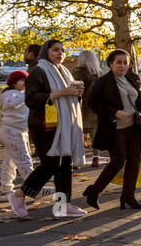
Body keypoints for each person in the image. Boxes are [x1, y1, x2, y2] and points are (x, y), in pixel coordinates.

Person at [11, 39, 87, 219]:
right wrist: (63, 93)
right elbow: (31, 100)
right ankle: (18, 195)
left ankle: (63, 206)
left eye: (62, 50)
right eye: (55, 50)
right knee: (51, 164)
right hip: (45, 125)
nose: (60, 53)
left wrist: (77, 92)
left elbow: (69, 99)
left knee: (65, 166)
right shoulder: (39, 70)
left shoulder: (64, 71)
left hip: (64, 124)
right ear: (46, 52)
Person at [82, 49, 141, 211]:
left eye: (125, 62)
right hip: (114, 128)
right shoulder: (102, 82)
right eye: (118, 62)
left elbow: (140, 101)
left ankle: (128, 196)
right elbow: (93, 103)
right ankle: (94, 191)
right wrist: (114, 112)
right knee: (118, 161)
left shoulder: (133, 78)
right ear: (110, 64)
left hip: (134, 127)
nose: (122, 65)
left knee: (134, 161)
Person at [0, 70, 34, 208]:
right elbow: (10, 104)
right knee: (24, 160)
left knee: (10, 161)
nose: (25, 84)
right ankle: (33, 187)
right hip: (12, 132)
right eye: (22, 81)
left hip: (19, 131)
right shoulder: (9, 94)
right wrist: (26, 93)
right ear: (13, 82)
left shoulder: (21, 94)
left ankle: (5, 190)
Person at [72, 49, 103, 166]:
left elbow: (73, 86)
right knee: (94, 131)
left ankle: (79, 158)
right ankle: (96, 156)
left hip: (81, 105)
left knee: (79, 131)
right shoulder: (98, 73)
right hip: (96, 106)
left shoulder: (78, 72)